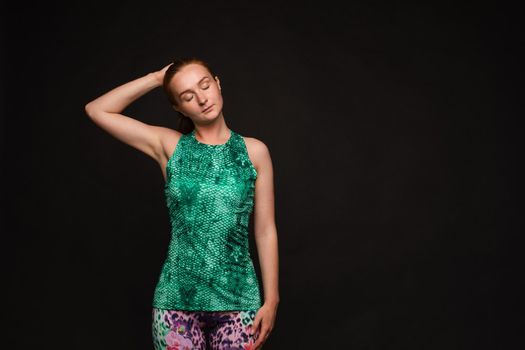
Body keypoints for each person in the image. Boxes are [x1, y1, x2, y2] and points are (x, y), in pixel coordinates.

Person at [84, 57, 279, 349]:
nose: (202, 99)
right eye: (188, 96)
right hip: (175, 303)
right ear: (178, 107)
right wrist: (154, 78)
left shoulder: (254, 152)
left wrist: (272, 298)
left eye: (205, 86)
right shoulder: (170, 147)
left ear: (217, 83)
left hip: (239, 301)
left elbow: (265, 231)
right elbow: (97, 110)